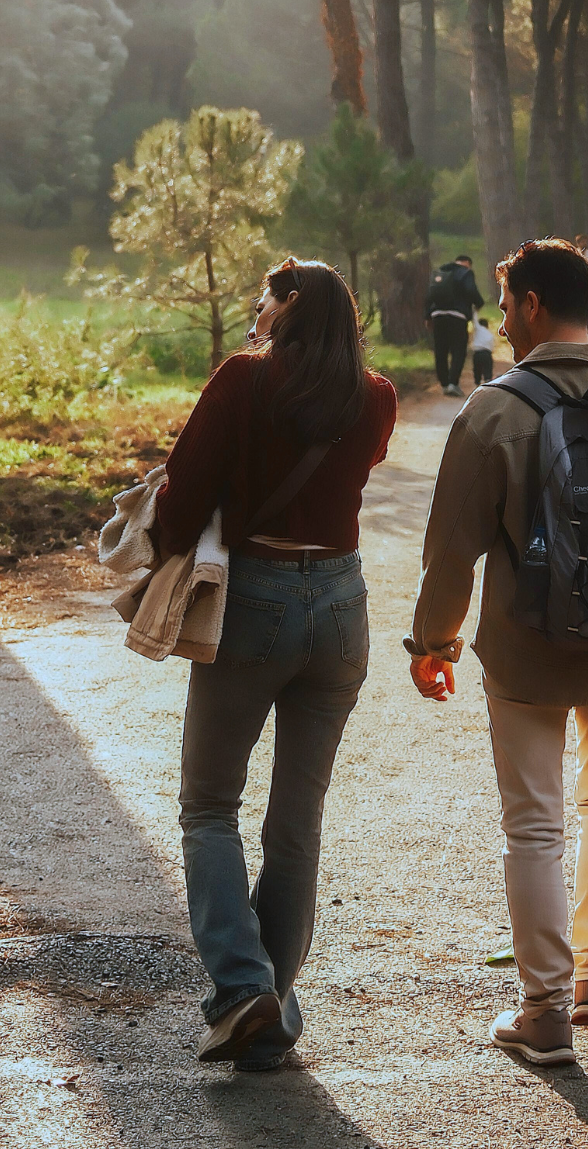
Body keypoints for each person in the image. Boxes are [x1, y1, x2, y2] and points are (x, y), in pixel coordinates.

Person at [407, 238, 588, 1066]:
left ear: (533, 303)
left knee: (533, 824)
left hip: (524, 652)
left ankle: (542, 1010)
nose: (500, 321)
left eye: (505, 305)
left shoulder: (494, 410)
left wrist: (434, 643)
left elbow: (450, 549)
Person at [154, 258, 399, 1071]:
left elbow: (182, 499)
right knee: (296, 823)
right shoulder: (377, 395)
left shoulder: (244, 378)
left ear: (288, 303)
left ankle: (240, 990)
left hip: (254, 599)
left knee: (209, 807)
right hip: (341, 606)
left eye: (267, 297)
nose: (258, 309)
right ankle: (267, 1013)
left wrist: (163, 551)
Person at [426, 254, 486, 395]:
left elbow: (429, 295)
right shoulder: (466, 272)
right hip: (457, 316)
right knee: (458, 350)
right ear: (467, 263)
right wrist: (479, 303)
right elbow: (471, 290)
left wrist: (427, 315)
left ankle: (444, 384)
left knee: (440, 350)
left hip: (438, 315)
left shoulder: (441, 272)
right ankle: (453, 383)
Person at [470, 316, 496, 384]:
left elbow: (474, 319)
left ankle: (477, 383)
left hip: (477, 353)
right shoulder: (490, 334)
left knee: (477, 370)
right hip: (487, 354)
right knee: (488, 371)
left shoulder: (478, 329)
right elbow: (492, 347)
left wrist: (474, 309)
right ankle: (488, 382)